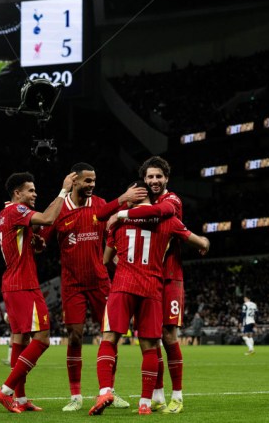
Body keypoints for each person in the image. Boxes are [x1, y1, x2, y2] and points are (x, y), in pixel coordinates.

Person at [89, 181, 210, 416]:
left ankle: (105, 391)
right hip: (152, 289)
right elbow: (197, 240)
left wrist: (124, 260)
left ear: (135, 194)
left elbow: (105, 259)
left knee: (109, 338)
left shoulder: (119, 220)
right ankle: (145, 403)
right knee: (150, 346)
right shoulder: (167, 220)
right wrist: (204, 243)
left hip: (123, 285)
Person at [38, 162, 145, 412]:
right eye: (87, 181)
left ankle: (108, 390)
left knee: (111, 335)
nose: (92, 185)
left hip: (100, 281)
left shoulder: (100, 203)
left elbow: (107, 215)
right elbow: (42, 239)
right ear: (73, 181)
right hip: (72, 283)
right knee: (74, 336)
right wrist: (37, 242)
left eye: (94, 180)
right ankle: (75, 395)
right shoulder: (60, 208)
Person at [0, 171, 76, 414]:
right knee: (43, 339)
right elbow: (49, 219)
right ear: (17, 193)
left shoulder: (7, 213)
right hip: (24, 285)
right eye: (30, 190)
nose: (35, 193)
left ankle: (20, 398)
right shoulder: (16, 211)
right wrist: (64, 191)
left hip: (13, 283)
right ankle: (6, 390)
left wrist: (34, 241)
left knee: (21, 339)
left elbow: (34, 232)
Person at [109, 156, 184, 413]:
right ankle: (158, 396)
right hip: (148, 280)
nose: (154, 181)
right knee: (152, 339)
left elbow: (161, 213)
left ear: (166, 178)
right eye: (150, 177)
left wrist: (121, 213)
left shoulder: (170, 201)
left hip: (170, 277)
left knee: (168, 336)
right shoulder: (145, 204)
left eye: (158, 177)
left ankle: (178, 397)